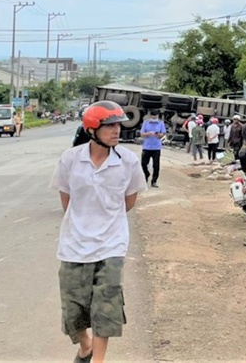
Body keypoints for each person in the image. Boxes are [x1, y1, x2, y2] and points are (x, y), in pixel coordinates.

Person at [50, 100, 147, 363]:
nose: (117, 130)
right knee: (73, 309)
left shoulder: (128, 161)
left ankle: (98, 360)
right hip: (73, 245)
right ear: (92, 129)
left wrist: (106, 222)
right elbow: (66, 199)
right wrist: (85, 221)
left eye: (118, 125)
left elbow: (129, 200)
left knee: (106, 305)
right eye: (109, 126)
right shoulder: (71, 159)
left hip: (111, 245)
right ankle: (85, 346)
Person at [139, 110, 165, 188]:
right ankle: (146, 174)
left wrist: (159, 135)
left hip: (156, 147)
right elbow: (142, 134)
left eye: (156, 116)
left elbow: (163, 134)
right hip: (147, 147)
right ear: (151, 116)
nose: (154, 117)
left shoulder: (161, 123)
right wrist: (148, 133)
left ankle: (154, 181)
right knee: (143, 164)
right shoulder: (146, 123)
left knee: (156, 165)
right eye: (153, 115)